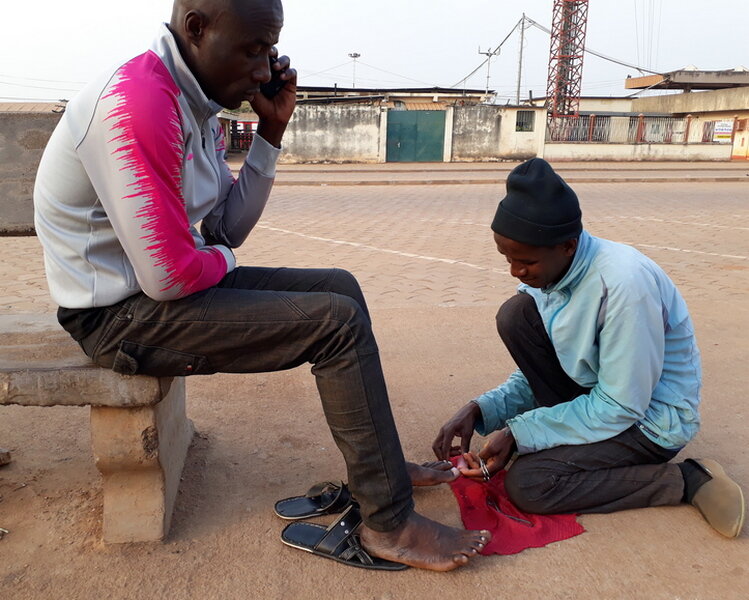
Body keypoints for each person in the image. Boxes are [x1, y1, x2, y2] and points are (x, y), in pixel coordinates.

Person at [33, 0, 490, 570]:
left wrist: (271, 131)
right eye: (252, 49)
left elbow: (226, 228)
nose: (262, 68)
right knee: (336, 326)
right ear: (197, 29)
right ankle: (388, 524)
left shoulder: (194, 104)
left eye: (269, 50)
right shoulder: (140, 105)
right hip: (116, 316)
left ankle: (384, 472)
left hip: (158, 292)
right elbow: (173, 273)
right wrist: (218, 256)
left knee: (339, 288)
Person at [433, 158, 745, 539]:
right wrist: (482, 408)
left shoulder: (624, 286)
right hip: (603, 395)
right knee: (515, 314)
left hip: (648, 420)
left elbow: (621, 406)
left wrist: (520, 432)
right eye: (508, 258)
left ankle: (686, 480)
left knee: (530, 484)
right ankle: (560, 440)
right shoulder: (550, 277)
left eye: (526, 261)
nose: (516, 271)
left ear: (567, 246)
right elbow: (552, 367)